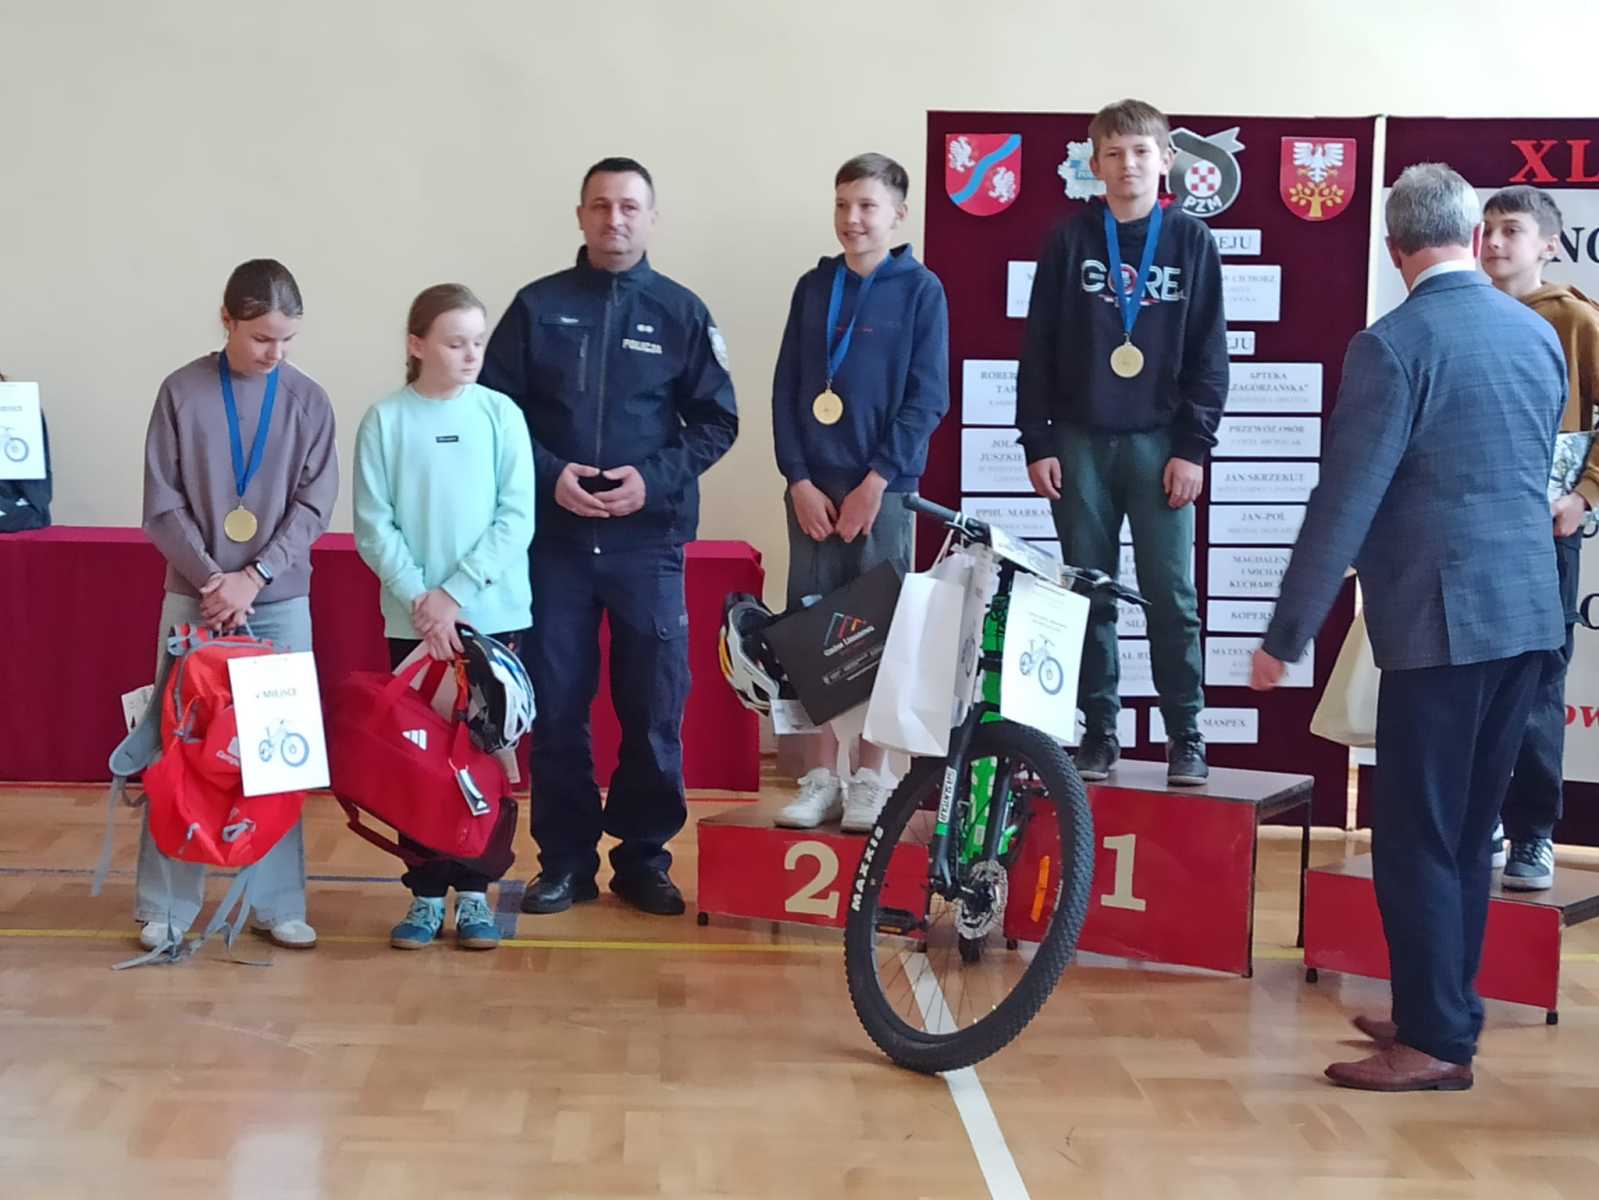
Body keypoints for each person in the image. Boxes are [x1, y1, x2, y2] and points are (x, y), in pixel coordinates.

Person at [1252, 164, 1567, 1092]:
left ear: (1393, 250)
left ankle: (1432, 1042)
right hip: (1528, 615)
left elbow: (1343, 501)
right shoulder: (1533, 331)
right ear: (1471, 237)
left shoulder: (1391, 345)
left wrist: (1286, 633)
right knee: (1467, 832)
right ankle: (1443, 1010)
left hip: (1441, 624)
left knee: (1416, 837)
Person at [480, 157, 738, 917]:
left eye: (629, 206)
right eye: (600, 205)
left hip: (647, 545)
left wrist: (650, 482)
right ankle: (564, 862)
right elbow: (494, 414)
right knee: (558, 708)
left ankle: (643, 860)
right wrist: (549, 473)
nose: (614, 219)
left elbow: (717, 422)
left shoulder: (681, 313)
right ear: (581, 216)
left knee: (653, 710)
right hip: (554, 545)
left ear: (651, 218)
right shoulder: (537, 307)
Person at [1016, 98, 1227, 787]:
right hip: (1080, 440)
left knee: (1171, 594)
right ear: (1094, 164)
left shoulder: (1191, 242)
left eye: (1141, 152)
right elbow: (1037, 346)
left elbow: (1210, 354)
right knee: (1088, 592)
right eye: (1113, 153)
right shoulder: (1068, 240)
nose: (1128, 165)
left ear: (1166, 160)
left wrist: (1193, 447)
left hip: (1161, 443)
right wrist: (1037, 439)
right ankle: (1099, 731)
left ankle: (1185, 734)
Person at [138, 258, 339, 951]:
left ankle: (275, 902)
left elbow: (314, 504)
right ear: (226, 320)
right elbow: (161, 503)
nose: (274, 352)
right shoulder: (181, 392)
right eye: (260, 338)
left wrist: (254, 576)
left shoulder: (309, 401)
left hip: (276, 599)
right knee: (179, 747)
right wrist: (212, 580)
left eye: (286, 339)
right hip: (194, 597)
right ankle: (166, 906)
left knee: (278, 750)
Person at [770, 152, 949, 832]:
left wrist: (877, 483)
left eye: (867, 206)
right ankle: (820, 778)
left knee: (879, 633)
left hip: (884, 491)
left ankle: (871, 777)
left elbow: (927, 399)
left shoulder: (920, 291)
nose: (852, 218)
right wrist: (798, 480)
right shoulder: (814, 288)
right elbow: (787, 392)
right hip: (813, 494)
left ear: (898, 214)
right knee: (809, 632)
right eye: (843, 204)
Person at [353, 283, 535, 950]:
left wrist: (453, 595)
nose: (470, 355)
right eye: (455, 343)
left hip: (490, 618)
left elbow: (515, 517)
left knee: (485, 759)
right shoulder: (385, 421)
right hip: (415, 625)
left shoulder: (500, 415)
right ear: (417, 344)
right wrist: (422, 602)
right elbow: (374, 526)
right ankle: (426, 894)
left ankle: (476, 893)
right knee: (419, 761)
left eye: (477, 343)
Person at [1481, 186, 1599, 891]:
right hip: (1471, 527)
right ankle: (1482, 819)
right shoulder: (1464, 310)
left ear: (1549, 244)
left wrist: (1584, 494)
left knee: (1537, 681)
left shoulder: (1576, 320)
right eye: (1487, 228)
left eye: (1512, 230)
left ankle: (1532, 832)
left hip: (1544, 531)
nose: (1495, 242)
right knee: (1470, 678)